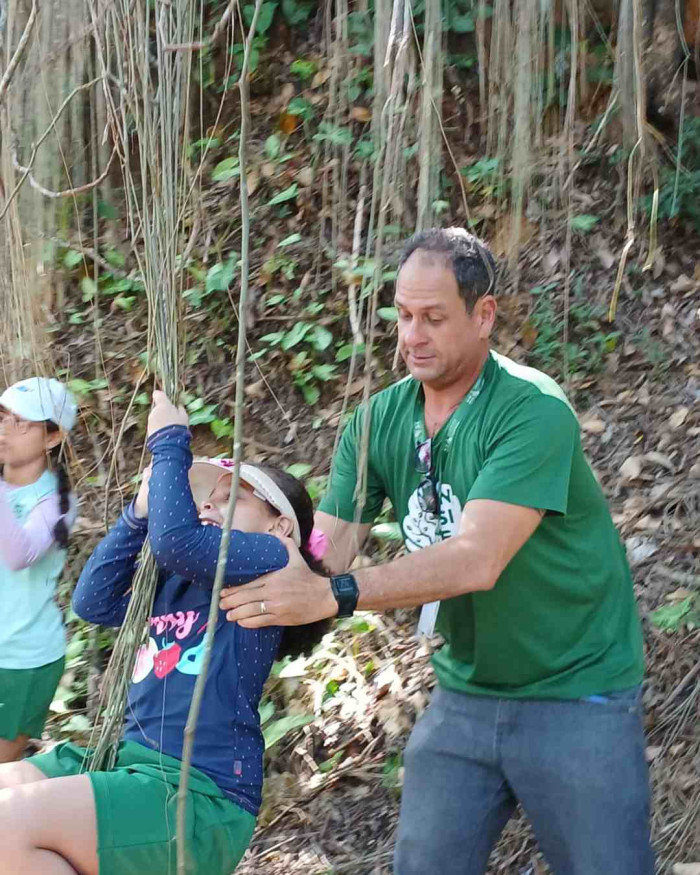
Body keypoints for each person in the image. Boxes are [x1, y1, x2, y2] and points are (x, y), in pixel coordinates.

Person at [219, 228, 655, 875]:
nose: (412, 335)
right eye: (402, 314)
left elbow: (477, 557)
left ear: (484, 316)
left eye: (433, 317)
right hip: (466, 693)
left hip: (576, 689)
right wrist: (243, 547)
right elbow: (327, 548)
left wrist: (331, 593)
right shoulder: (377, 421)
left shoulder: (531, 410)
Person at [0, 390, 329, 875]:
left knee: (9, 823)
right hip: (122, 762)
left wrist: (171, 440)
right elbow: (92, 601)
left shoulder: (276, 560)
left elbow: (177, 541)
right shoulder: (176, 581)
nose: (209, 507)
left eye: (228, 498)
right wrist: (137, 513)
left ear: (281, 524)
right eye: (205, 501)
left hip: (197, 792)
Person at [0, 377, 77, 763]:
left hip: (21, 660)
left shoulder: (55, 502)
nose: (5, 431)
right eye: (3, 417)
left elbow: (20, 553)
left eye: (23, 423)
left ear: (52, 437)